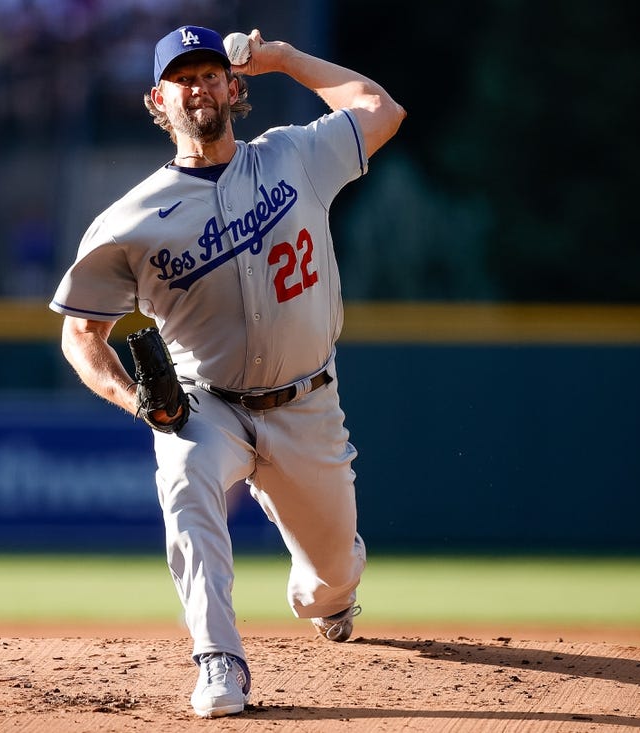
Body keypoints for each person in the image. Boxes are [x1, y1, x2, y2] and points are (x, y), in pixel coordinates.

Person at [49, 25, 405, 718]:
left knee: (329, 580)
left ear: (235, 87)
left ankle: (328, 590)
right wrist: (137, 400)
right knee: (183, 475)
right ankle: (218, 658)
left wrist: (285, 59)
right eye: (183, 77)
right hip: (205, 406)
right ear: (159, 98)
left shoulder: (296, 154)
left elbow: (381, 109)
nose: (198, 86)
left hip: (307, 404)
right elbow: (80, 336)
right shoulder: (130, 220)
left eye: (211, 72)